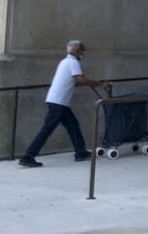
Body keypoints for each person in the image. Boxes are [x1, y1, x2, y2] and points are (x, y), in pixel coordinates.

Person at [19, 40, 110, 168]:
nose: (84, 53)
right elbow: (80, 79)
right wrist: (100, 84)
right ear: (78, 51)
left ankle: (80, 152)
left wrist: (88, 83)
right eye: (83, 50)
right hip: (59, 103)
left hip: (58, 102)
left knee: (73, 126)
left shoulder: (65, 62)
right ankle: (28, 156)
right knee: (47, 129)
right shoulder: (73, 62)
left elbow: (74, 81)